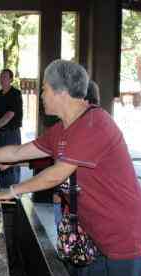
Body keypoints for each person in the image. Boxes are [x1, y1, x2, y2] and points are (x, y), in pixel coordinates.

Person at [0, 59, 141, 276]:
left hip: (126, 237)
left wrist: (13, 190)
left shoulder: (94, 124)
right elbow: (18, 152)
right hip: (96, 235)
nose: (41, 95)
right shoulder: (63, 128)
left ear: (62, 92)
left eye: (45, 89)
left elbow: (57, 174)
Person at [53, 79, 101, 226]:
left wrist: (14, 190)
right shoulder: (65, 128)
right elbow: (46, 150)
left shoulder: (94, 128)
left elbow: (62, 170)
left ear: (83, 101)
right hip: (67, 203)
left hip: (87, 209)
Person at [0, 69, 23, 189]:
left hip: (11, 133)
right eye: (1, 76)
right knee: (0, 162)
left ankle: (13, 193)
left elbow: (10, 114)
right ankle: (3, 190)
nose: (2, 79)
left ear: (11, 79)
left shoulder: (15, 93)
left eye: (5, 77)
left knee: (11, 162)